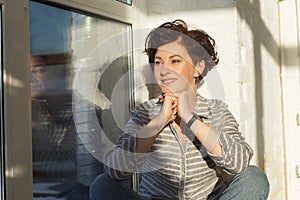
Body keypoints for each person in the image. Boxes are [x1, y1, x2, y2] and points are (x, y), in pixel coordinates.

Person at [89, 19, 270, 200]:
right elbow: (115, 171)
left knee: (254, 178)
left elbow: (239, 163)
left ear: (198, 67)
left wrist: (191, 119)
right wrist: (158, 122)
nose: (164, 70)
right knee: (102, 185)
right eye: (158, 62)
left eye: (175, 61)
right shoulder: (144, 113)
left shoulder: (216, 111)